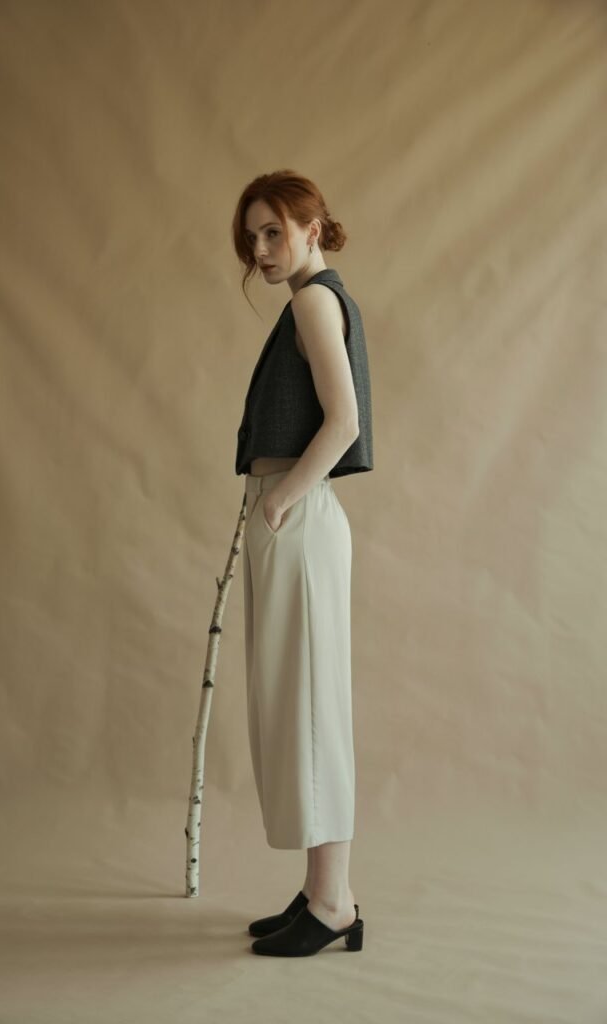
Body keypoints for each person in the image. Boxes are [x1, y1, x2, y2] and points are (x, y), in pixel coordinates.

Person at [231, 169, 373, 956]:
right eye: (252, 238)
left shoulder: (317, 300)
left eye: (274, 231)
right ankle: (324, 891)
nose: (261, 250)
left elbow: (343, 420)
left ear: (313, 226)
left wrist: (280, 502)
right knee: (301, 707)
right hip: (293, 518)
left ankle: (335, 907)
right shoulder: (312, 299)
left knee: (311, 711)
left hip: (300, 520)